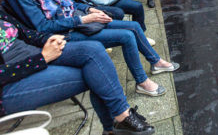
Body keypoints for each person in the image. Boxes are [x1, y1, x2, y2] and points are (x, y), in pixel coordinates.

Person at [2, 0, 179, 98]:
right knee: (126, 35)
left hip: (75, 22)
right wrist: (84, 19)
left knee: (132, 25)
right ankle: (142, 82)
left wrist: (88, 9)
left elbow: (69, 2)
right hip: (61, 35)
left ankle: (156, 63)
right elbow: (42, 27)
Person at [0, 9, 155, 135]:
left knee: (93, 50)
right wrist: (41, 58)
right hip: (9, 84)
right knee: (98, 75)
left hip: (35, 52)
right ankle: (118, 121)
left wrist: (48, 39)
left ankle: (116, 122)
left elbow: (26, 33)